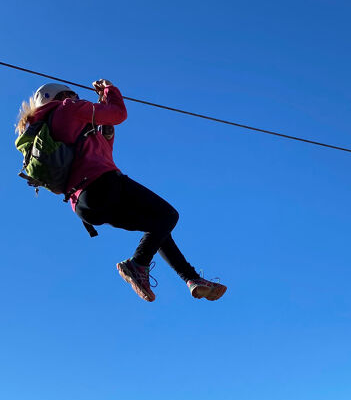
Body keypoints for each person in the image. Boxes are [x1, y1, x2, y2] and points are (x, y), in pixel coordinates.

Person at [15, 79, 227, 303]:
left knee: (158, 226)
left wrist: (103, 117)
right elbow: (119, 113)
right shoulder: (67, 108)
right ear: (61, 96)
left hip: (86, 206)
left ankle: (191, 278)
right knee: (168, 215)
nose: (77, 99)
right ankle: (137, 265)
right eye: (72, 95)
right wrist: (109, 90)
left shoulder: (53, 126)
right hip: (102, 184)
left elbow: (103, 149)